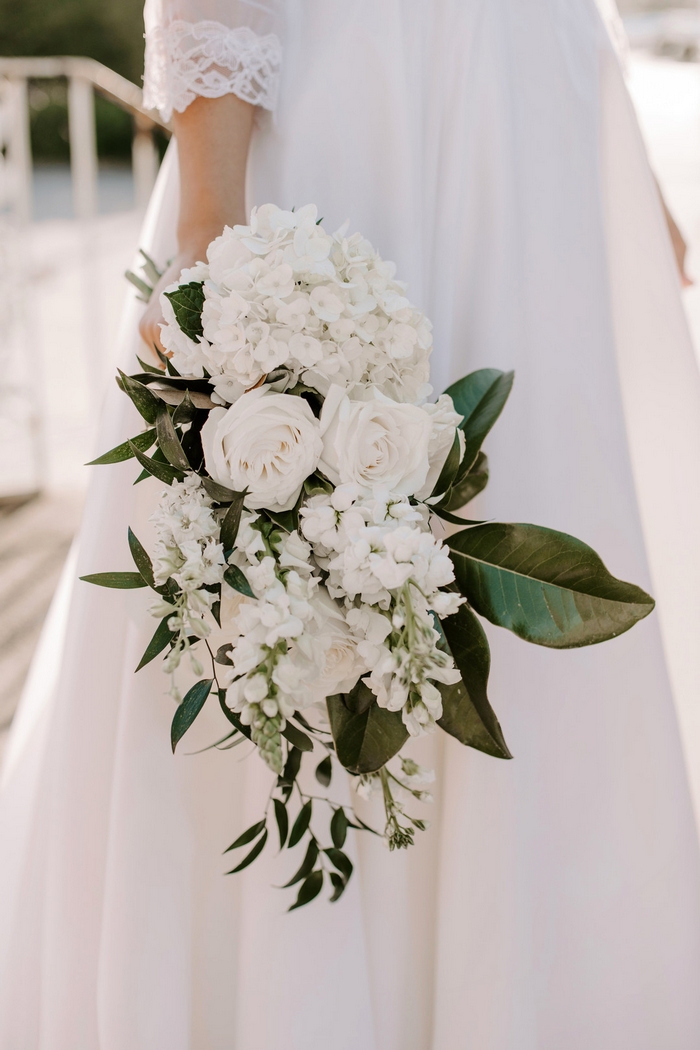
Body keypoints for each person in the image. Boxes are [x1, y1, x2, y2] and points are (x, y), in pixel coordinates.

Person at [2, 2, 700, 1047]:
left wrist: (616, 138)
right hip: (353, 109)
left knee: (535, 613)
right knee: (300, 604)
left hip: (534, 130)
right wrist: (210, 234)